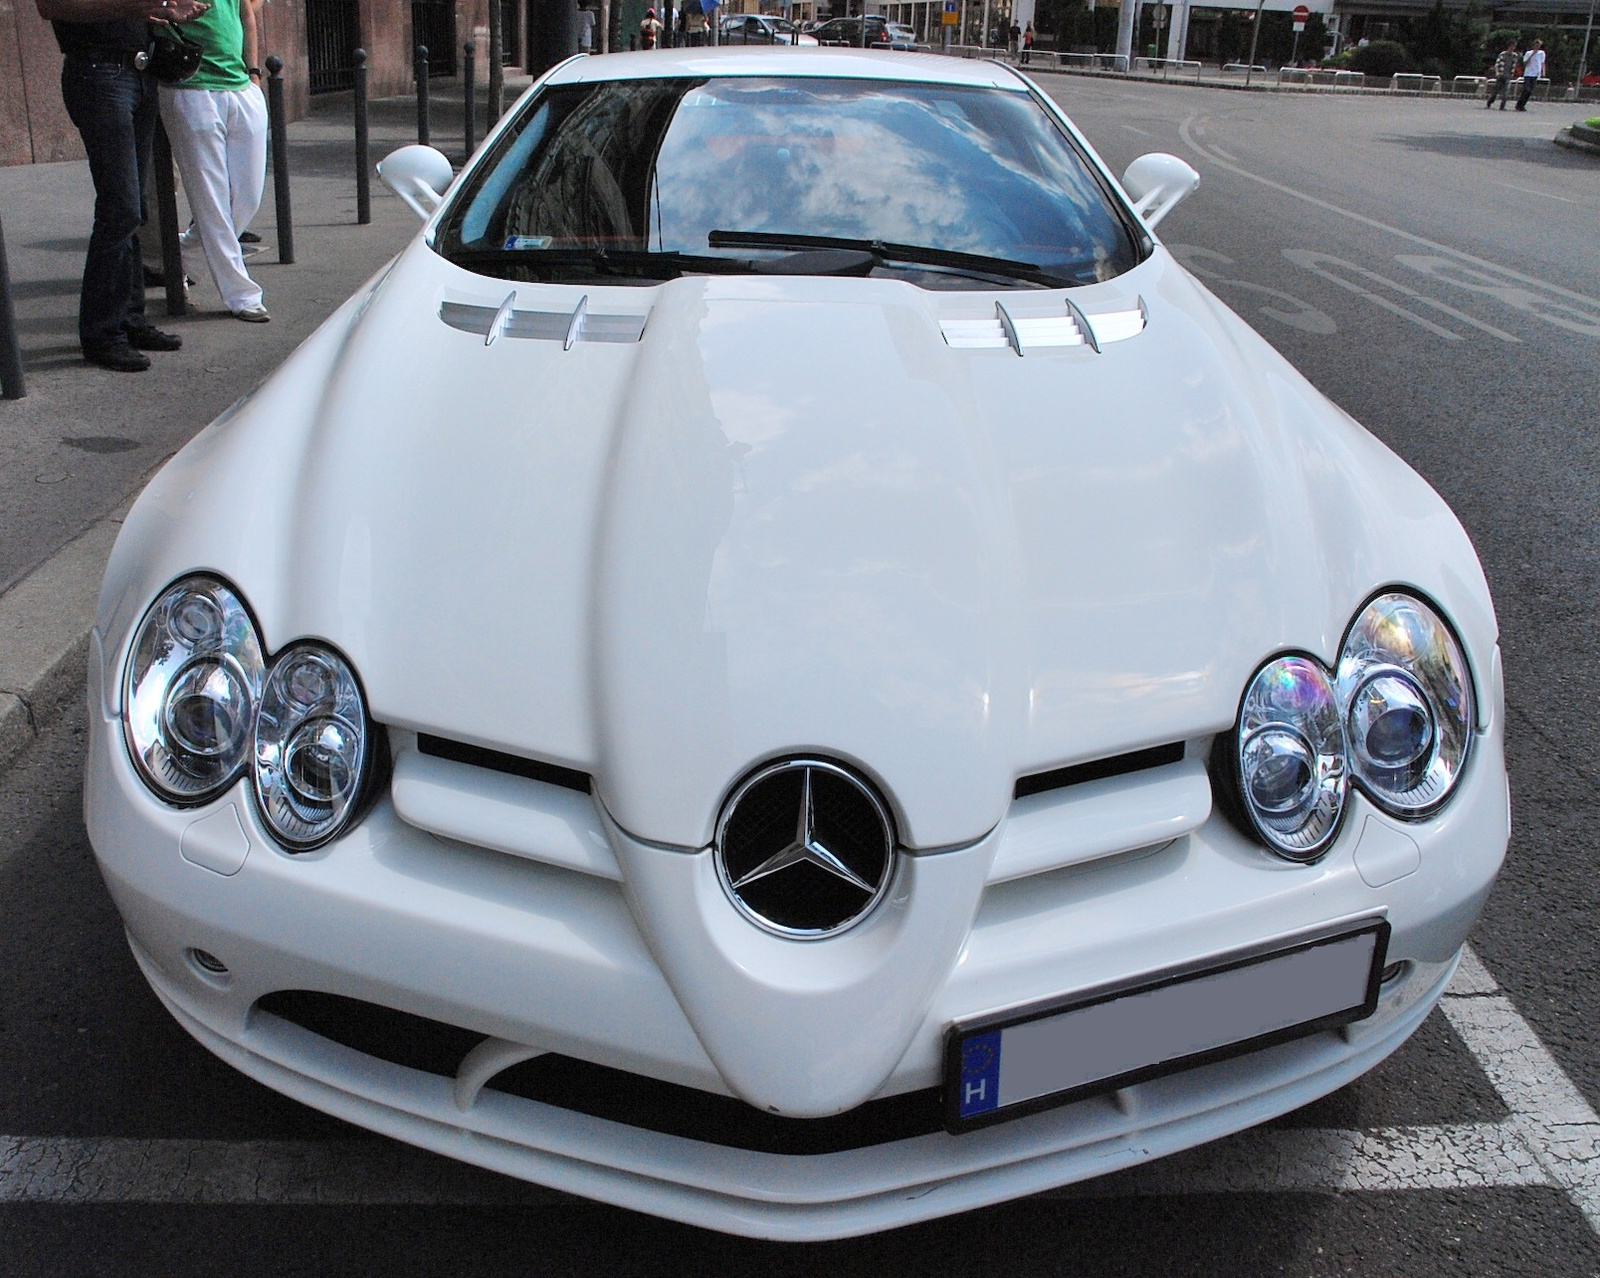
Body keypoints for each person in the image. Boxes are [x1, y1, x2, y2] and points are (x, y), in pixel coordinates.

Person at [35, 0, 209, 371]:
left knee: (135, 210)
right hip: (99, 73)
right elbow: (51, 6)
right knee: (121, 207)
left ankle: (130, 319)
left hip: (139, 71)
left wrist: (165, 12)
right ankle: (102, 334)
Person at [159, 0, 269, 322]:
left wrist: (253, 74)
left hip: (240, 86)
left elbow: (246, 11)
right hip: (191, 84)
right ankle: (242, 295)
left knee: (248, 197)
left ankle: (179, 253)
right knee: (212, 200)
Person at [1485, 39, 1517, 109]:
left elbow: (1513, 66)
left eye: (1514, 46)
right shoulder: (1502, 54)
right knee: (1495, 91)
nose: (1512, 48)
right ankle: (1489, 102)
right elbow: (1497, 64)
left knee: (1506, 92)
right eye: (1512, 46)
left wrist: (1512, 74)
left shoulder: (1514, 56)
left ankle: (1502, 106)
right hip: (1501, 75)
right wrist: (1497, 73)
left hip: (1508, 76)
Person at [1516, 39, 1545, 110]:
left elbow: (1542, 63)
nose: (1537, 46)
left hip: (1536, 74)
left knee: (1530, 91)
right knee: (1526, 89)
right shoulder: (1528, 53)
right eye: (1536, 45)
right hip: (1528, 74)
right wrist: (1532, 55)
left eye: (1539, 45)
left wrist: (1543, 71)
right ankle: (1519, 104)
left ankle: (1522, 105)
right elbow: (1525, 63)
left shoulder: (1542, 53)